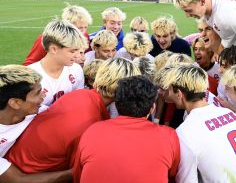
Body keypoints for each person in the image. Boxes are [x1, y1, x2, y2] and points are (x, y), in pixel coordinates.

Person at [6, 58, 141, 174]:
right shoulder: (91, 123)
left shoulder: (81, 94)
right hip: (28, 175)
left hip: (17, 163)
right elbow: (79, 171)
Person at [155, 64, 236, 183]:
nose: (166, 92)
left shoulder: (185, 132)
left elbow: (187, 180)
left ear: (179, 93)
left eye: (169, 89)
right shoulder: (229, 114)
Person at [73, 75, 180, 183]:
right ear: (152, 108)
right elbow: (172, 175)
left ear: (117, 104)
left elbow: (78, 175)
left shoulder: (92, 131)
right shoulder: (168, 136)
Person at [0, 65, 72, 183]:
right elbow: (18, 180)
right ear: (16, 103)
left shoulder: (41, 111)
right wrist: (75, 171)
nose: (43, 96)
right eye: (37, 93)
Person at [28, 19, 87, 109]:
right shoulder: (30, 76)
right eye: (72, 51)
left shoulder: (76, 69)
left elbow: (78, 103)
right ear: (54, 49)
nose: (77, 56)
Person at [23, 5, 93, 66]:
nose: (83, 32)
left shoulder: (85, 36)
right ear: (68, 26)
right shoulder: (49, 38)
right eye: (79, 28)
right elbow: (29, 63)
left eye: (85, 27)